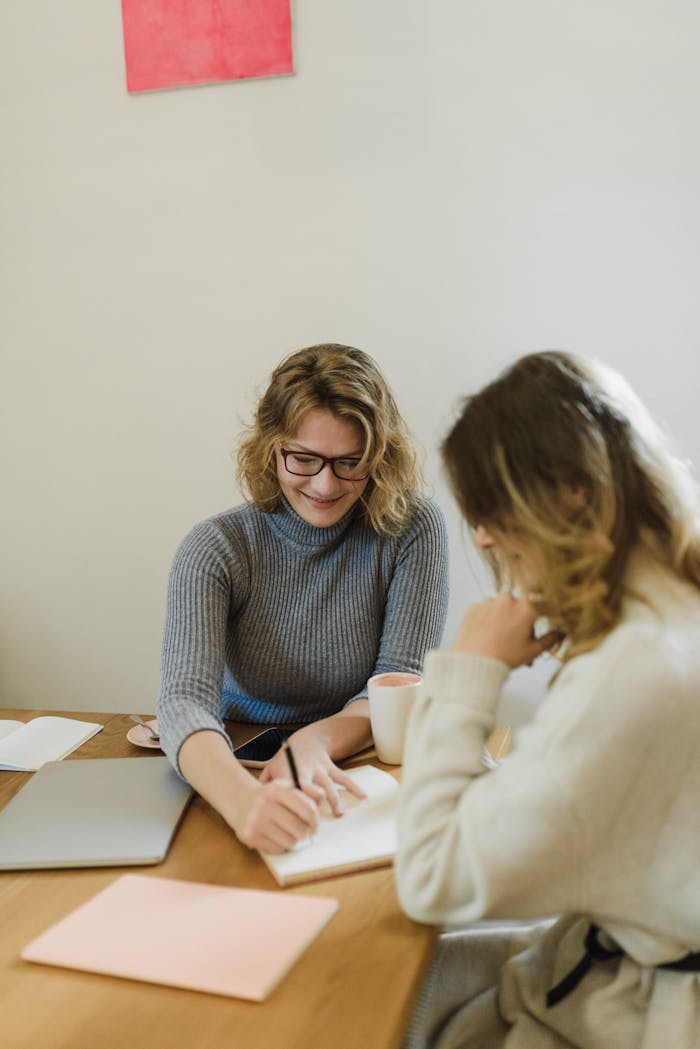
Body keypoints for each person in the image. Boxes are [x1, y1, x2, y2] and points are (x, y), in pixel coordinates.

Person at [396, 351, 700, 1049]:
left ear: (566, 494)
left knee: (364, 987)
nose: (479, 535)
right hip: (613, 956)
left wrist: (469, 671)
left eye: (487, 508)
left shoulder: (635, 671)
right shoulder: (673, 612)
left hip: (638, 1001)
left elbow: (431, 876)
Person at [156, 343, 449, 856]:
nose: (325, 484)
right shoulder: (216, 548)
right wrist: (245, 801)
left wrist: (311, 742)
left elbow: (399, 682)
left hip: (359, 756)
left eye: (349, 463)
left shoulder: (412, 530)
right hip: (234, 762)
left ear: (379, 457)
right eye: (304, 459)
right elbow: (183, 703)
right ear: (271, 448)